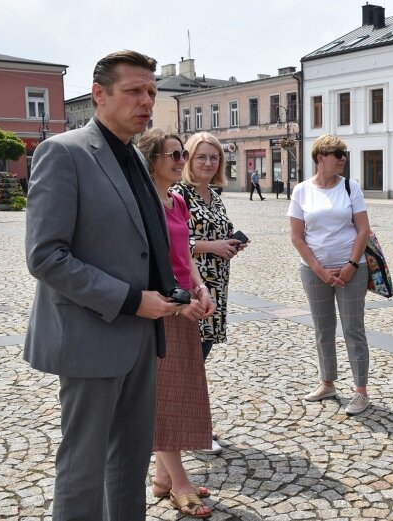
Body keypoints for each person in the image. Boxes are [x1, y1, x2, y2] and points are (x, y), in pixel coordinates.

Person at [24, 50, 181, 520]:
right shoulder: (65, 151)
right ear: (99, 94)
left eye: (151, 92)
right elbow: (46, 256)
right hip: (92, 334)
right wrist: (133, 299)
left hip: (141, 336)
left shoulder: (133, 157)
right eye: (134, 90)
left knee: (130, 462)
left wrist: (173, 290)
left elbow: (141, 240)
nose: (146, 101)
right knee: (84, 467)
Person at [137, 129, 216, 518]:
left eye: (181, 152)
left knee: (183, 393)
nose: (180, 159)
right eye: (172, 154)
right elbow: (145, 266)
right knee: (166, 398)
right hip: (161, 310)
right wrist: (174, 304)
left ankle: (162, 477)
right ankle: (180, 483)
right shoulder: (142, 204)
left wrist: (202, 289)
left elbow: (185, 255)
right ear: (151, 159)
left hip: (186, 304)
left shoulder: (177, 201)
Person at [287, 134, 372, 416]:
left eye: (344, 153)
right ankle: (328, 383)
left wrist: (350, 264)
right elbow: (297, 237)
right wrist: (320, 270)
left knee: (352, 329)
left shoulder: (350, 187)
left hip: (352, 269)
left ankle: (360, 391)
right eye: (338, 153)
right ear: (320, 158)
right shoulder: (301, 191)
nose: (343, 158)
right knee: (323, 329)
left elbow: (363, 229)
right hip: (314, 272)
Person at [172, 132, 243, 455]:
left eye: (214, 157)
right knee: (190, 363)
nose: (208, 162)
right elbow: (173, 241)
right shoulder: (179, 194)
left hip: (217, 287)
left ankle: (186, 428)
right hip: (193, 288)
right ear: (187, 159)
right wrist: (213, 246)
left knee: (198, 359)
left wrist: (229, 243)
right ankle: (192, 432)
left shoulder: (214, 193)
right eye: (201, 156)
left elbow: (216, 232)